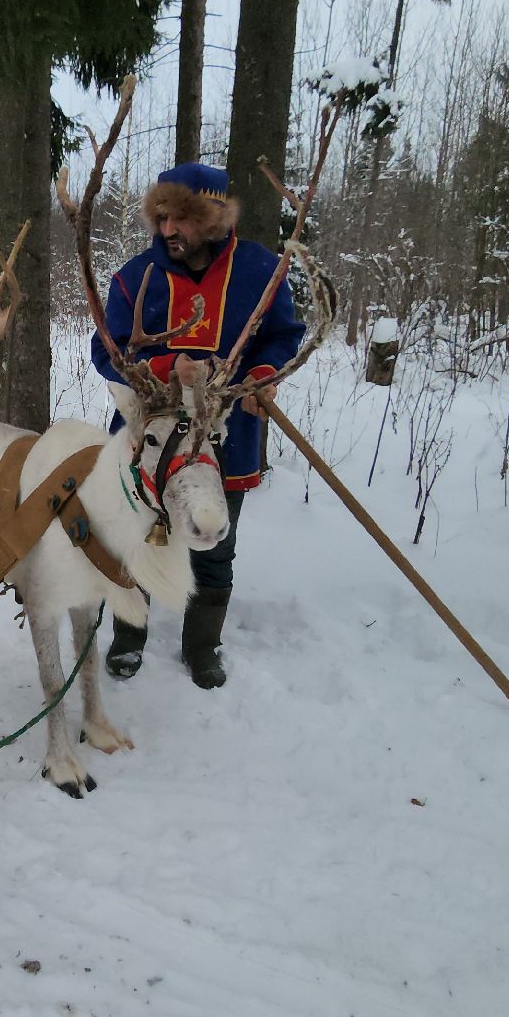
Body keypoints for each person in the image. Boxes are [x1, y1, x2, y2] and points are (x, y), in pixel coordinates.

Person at [89, 162, 305, 688]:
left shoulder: (260, 271)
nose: (167, 232)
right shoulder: (134, 277)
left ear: (211, 217)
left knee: (214, 542)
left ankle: (203, 646)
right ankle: (128, 636)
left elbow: (283, 335)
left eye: (180, 220)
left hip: (229, 437)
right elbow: (106, 349)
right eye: (160, 218)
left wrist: (259, 378)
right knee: (133, 538)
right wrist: (164, 367)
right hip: (149, 438)